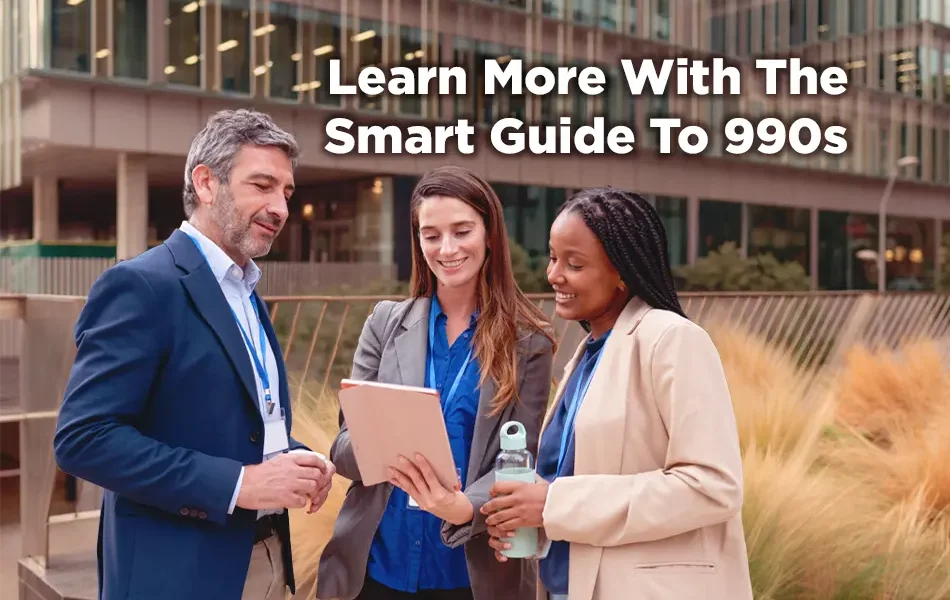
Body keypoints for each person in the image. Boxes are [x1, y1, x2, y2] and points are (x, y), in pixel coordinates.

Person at [53, 109, 336, 600]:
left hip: (264, 561)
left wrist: (292, 456)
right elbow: (83, 438)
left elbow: (231, 421)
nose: (280, 208)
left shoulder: (244, 288)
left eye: (286, 192)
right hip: (176, 574)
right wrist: (239, 484)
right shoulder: (141, 285)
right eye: (262, 186)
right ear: (206, 183)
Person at [481, 187, 753, 600]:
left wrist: (553, 504)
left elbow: (712, 486)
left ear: (622, 272)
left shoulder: (672, 339)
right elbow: (573, 487)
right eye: (553, 258)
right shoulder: (587, 354)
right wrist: (527, 516)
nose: (554, 275)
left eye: (575, 263)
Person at [316, 165, 555, 600]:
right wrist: (385, 447)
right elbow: (343, 449)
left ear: (490, 235)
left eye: (462, 231)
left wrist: (463, 507)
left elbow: (522, 460)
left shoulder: (528, 343)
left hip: (470, 575)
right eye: (431, 235)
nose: (446, 249)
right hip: (375, 570)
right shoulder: (384, 324)